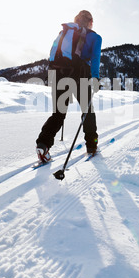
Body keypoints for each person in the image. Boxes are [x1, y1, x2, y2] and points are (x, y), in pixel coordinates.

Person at [36, 10, 102, 163]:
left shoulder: (64, 33)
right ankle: (92, 146)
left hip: (57, 74)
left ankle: (43, 144)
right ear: (90, 22)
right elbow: (96, 58)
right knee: (87, 110)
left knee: (58, 113)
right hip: (79, 75)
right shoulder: (95, 37)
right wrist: (95, 78)